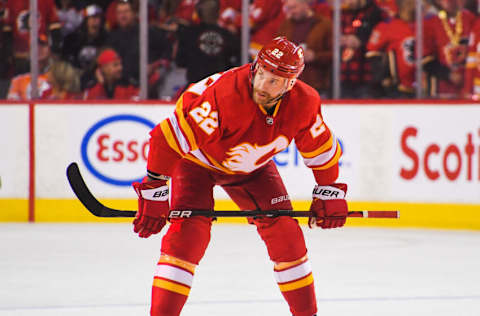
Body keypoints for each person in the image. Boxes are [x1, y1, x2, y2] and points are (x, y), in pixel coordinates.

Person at [132, 36, 348, 316]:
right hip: (196, 162)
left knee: (287, 236)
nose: (262, 85)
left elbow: (321, 150)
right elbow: (165, 140)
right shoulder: (225, 96)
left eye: (273, 81)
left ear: (290, 84)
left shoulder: (304, 103)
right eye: (261, 74)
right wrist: (155, 190)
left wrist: (329, 190)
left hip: (251, 169)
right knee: (188, 237)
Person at [175, 0, 240, 87]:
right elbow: (236, 63)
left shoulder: (188, 33)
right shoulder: (227, 35)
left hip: (195, 87)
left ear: (198, 13)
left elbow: (180, 61)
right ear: (218, 13)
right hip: (219, 87)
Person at [277, 0, 333, 98]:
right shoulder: (285, 25)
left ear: (305, 4)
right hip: (289, 86)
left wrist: (315, 56)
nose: (291, 12)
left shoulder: (324, 24)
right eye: (288, 8)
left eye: (294, 7)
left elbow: (335, 54)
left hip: (316, 84)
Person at [423, 0, 476, 98]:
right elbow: (425, 60)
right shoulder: (430, 23)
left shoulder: (471, 19)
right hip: (439, 93)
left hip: (468, 91)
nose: (450, 1)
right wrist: (447, 74)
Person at [366, 0, 416, 98]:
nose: (411, 5)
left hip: (423, 88)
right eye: (407, 3)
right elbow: (373, 54)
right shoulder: (387, 26)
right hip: (397, 90)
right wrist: (385, 79)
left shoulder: (426, 24)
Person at [6, 34, 51, 100]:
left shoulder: (57, 78)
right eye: (34, 46)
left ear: (49, 49)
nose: (38, 49)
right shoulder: (19, 79)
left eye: (43, 45)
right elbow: (12, 106)